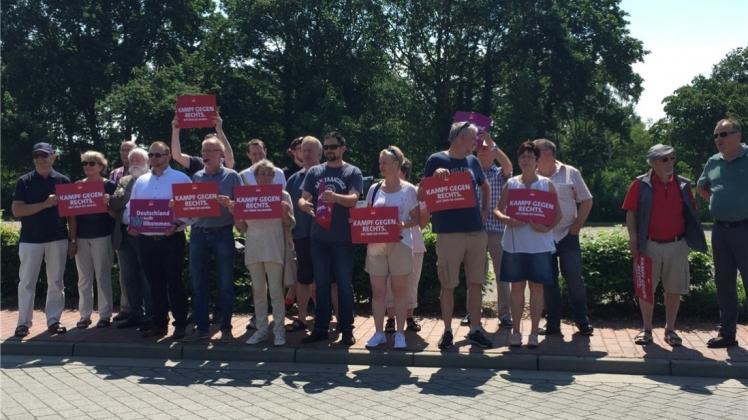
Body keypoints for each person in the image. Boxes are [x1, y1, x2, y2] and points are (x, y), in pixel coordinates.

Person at [623, 144, 707, 346]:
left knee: (674, 289)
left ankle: (670, 330)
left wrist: (690, 241)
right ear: (652, 163)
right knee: (646, 289)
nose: (670, 163)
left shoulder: (684, 185)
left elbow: (692, 214)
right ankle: (646, 330)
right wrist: (633, 239)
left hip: (677, 245)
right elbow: (631, 213)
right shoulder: (639, 184)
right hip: (648, 245)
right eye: (664, 159)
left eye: (672, 158)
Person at [421, 121, 492, 349]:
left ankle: (475, 329)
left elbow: (485, 186)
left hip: (475, 231)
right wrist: (434, 178)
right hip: (449, 233)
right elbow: (421, 192)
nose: (476, 143)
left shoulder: (473, 161)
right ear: (460, 137)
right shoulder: (436, 160)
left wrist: (484, 212)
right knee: (448, 284)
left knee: (475, 282)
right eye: (473, 138)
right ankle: (448, 331)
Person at [494, 141, 562, 348]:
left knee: (537, 289)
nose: (526, 160)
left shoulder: (546, 184)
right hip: (515, 245)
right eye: (523, 157)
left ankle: (534, 333)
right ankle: (516, 331)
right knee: (516, 289)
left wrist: (546, 227)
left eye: (530, 157)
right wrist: (506, 220)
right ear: (519, 160)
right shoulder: (511, 184)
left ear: (537, 161)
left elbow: (558, 215)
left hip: (539, 246)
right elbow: (497, 210)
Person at [298, 131, 363, 346]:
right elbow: (303, 198)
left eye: (333, 146)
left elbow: (354, 199)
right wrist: (303, 205)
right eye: (326, 147)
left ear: (343, 148)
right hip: (319, 238)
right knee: (321, 284)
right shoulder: (315, 172)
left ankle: (346, 329)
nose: (329, 150)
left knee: (344, 285)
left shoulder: (352, 171)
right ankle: (321, 328)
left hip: (343, 238)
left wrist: (335, 197)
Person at [129, 141, 191, 340]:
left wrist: (178, 222)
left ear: (168, 156)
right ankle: (159, 324)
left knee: (174, 282)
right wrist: (133, 224)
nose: (154, 158)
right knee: (154, 283)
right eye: (151, 155)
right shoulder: (141, 181)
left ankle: (180, 324)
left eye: (158, 155)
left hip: (172, 238)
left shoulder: (181, 179)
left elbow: (190, 208)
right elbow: (133, 208)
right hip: (146, 240)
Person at [12, 143, 75, 337]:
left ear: (53, 157)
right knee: (26, 283)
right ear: (34, 158)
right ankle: (23, 323)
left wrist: (72, 240)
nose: (41, 158)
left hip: (57, 238)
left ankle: (54, 321)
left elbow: (72, 215)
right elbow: (17, 211)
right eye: (37, 155)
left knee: (56, 281)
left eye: (45, 155)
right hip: (30, 239)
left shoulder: (64, 181)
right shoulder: (24, 181)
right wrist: (45, 204)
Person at [534, 138, 594, 336]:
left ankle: (582, 321)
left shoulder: (571, 172)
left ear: (549, 153)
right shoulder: (530, 176)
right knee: (548, 282)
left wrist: (576, 228)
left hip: (568, 234)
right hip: (543, 236)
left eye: (537, 151)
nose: (532, 155)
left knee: (574, 279)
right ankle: (553, 325)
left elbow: (586, 200)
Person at [697, 118, 748, 348]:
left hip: (745, 228)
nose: (719, 139)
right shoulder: (713, 162)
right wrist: (717, 202)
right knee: (724, 283)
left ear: (738, 135)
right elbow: (701, 186)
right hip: (720, 230)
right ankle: (727, 334)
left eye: (724, 134)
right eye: (716, 135)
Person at [364, 146, 420, 350]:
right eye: (380, 162)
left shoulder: (409, 190)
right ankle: (379, 333)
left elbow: (416, 219)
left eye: (385, 162)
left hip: (401, 244)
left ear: (397, 164)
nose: (381, 166)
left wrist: (402, 225)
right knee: (378, 292)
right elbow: (368, 216)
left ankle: (400, 334)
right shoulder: (374, 189)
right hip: (376, 246)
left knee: (399, 291)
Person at [187, 137, 241, 341]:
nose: (206, 154)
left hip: (222, 232)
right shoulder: (197, 177)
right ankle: (202, 327)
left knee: (225, 282)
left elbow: (240, 206)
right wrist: (179, 205)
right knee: (198, 282)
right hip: (199, 233)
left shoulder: (232, 176)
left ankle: (225, 326)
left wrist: (231, 204)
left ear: (221, 154)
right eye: (204, 150)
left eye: (211, 150)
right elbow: (191, 204)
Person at [236, 159, 295, 346]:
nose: (266, 177)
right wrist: (236, 213)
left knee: (277, 292)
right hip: (254, 248)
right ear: (255, 176)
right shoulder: (246, 196)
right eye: (262, 173)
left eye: (270, 174)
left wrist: (285, 213)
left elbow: (291, 224)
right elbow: (241, 228)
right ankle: (261, 329)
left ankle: (279, 331)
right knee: (259, 291)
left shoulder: (282, 195)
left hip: (275, 248)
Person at [109, 147, 152, 329]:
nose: (134, 163)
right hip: (125, 234)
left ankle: (151, 316)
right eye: (131, 160)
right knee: (129, 277)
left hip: (145, 235)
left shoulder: (152, 180)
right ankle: (135, 314)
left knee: (147, 277)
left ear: (147, 162)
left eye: (138, 160)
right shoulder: (124, 180)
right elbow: (116, 202)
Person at [384, 158, 427, 333]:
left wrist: (425, 203)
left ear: (403, 171)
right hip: (387, 244)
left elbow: (422, 222)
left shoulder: (415, 191)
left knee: (411, 283)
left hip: (413, 243)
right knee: (387, 283)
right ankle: (390, 319)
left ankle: (409, 317)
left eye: (396, 168)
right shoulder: (381, 190)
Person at [73, 151, 116, 329]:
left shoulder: (110, 186)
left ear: (100, 166)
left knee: (102, 276)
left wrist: (107, 205)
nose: (88, 167)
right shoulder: (76, 185)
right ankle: (85, 315)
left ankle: (105, 315)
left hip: (102, 236)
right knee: (83, 278)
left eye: (92, 163)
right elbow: (72, 215)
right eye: (85, 163)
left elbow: (117, 215)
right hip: (82, 237)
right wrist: (72, 239)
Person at [284, 136, 322, 333]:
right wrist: (290, 233)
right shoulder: (293, 179)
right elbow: (288, 210)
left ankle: (321, 317)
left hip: (325, 236)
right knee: (303, 278)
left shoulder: (327, 175)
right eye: (303, 150)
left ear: (319, 153)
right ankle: (301, 318)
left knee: (323, 279)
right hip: (301, 235)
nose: (306, 154)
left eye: (310, 150)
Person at [476, 134, 513, 328]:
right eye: (480, 148)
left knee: (502, 275)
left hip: (498, 230)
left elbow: (508, 166)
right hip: (475, 232)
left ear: (492, 152)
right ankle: (472, 312)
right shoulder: (470, 173)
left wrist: (493, 145)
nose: (483, 150)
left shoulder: (500, 173)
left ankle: (504, 314)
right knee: (475, 275)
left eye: (486, 148)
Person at [109, 140, 137, 321]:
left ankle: (141, 309)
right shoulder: (115, 174)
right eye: (122, 150)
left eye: (129, 150)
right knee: (125, 272)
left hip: (142, 230)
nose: (125, 153)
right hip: (121, 227)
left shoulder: (145, 173)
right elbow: (114, 201)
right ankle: (126, 308)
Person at [171, 111, 235, 176]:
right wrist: (175, 130)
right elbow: (177, 156)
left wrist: (219, 130)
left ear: (221, 151)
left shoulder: (225, 165)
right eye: (206, 148)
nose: (209, 151)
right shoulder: (198, 163)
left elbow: (229, 158)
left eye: (213, 147)